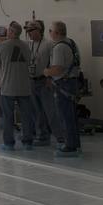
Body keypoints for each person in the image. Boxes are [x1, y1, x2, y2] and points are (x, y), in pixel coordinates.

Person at [0, 22, 34, 150]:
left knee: (8, 116)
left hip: (8, 87)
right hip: (24, 86)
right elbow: (29, 61)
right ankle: (28, 141)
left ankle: (9, 143)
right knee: (26, 116)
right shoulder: (26, 46)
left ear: (11, 32)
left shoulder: (2, 46)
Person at [44, 21, 82, 156]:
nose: (49, 33)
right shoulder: (71, 43)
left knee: (65, 116)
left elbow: (58, 69)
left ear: (57, 32)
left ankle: (70, 145)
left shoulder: (59, 47)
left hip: (64, 84)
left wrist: (47, 72)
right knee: (71, 116)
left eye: (50, 31)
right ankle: (75, 143)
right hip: (73, 82)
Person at [24, 20, 56, 145]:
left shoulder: (48, 44)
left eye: (31, 31)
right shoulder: (29, 44)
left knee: (50, 110)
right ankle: (42, 135)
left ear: (38, 30)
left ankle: (60, 137)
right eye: (27, 31)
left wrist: (50, 78)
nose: (29, 33)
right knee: (36, 111)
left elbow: (53, 62)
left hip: (44, 81)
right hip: (32, 81)